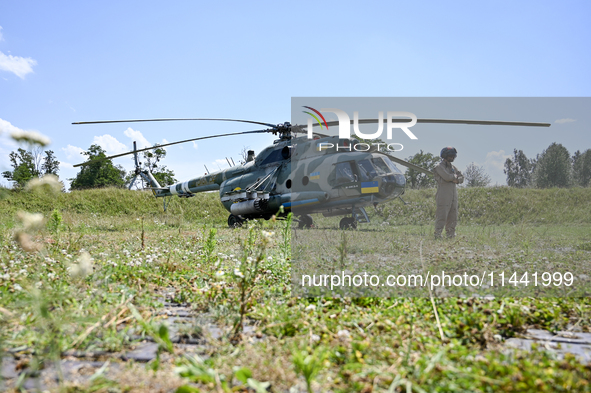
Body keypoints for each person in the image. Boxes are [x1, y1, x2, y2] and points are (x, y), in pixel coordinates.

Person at [433, 147, 464, 239]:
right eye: (450, 156)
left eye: (453, 156)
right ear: (445, 156)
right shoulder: (439, 167)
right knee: (442, 216)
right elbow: (447, 177)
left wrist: (456, 179)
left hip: (453, 195)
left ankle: (451, 235)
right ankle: (438, 234)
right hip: (443, 195)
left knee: (453, 216)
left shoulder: (453, 167)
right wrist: (454, 178)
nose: (452, 158)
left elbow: (461, 177)